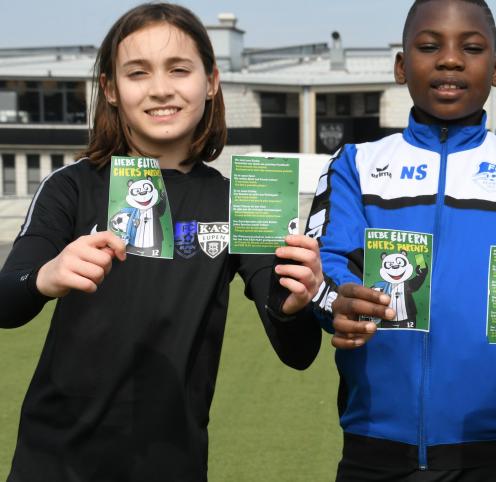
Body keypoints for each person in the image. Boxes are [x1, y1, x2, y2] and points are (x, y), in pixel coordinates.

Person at [0, 4, 322, 480]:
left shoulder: (239, 202)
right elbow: (7, 301)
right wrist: (45, 277)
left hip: (172, 464)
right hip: (54, 464)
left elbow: (298, 353)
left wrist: (296, 302)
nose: (160, 88)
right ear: (110, 89)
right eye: (137, 72)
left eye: (179, 69)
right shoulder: (71, 186)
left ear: (210, 81)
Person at [305, 0, 496, 480]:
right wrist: (337, 300)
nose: (449, 59)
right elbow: (325, 268)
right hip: (375, 445)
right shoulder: (356, 164)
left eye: (471, 47)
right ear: (401, 66)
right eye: (428, 46)